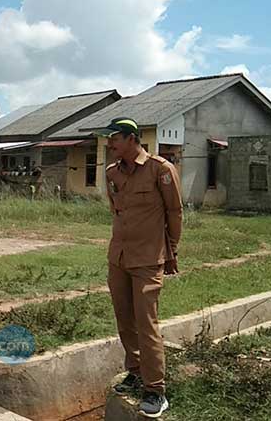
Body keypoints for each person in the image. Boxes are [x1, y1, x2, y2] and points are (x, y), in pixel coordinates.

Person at [97, 117, 182, 419]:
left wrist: (171, 250)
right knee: (124, 319)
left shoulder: (161, 169)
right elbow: (117, 210)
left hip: (148, 259)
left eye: (114, 139)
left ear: (132, 139)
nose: (109, 144)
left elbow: (174, 211)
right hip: (118, 257)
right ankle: (135, 372)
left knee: (147, 324)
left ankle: (155, 389)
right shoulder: (111, 174)